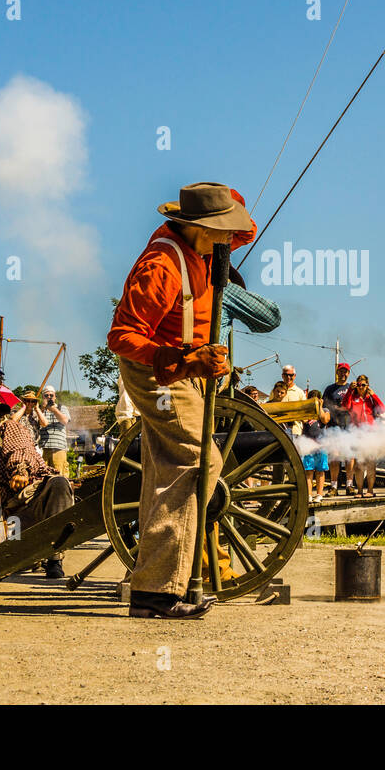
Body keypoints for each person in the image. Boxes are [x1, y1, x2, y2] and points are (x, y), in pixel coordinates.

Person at [108, 182, 255, 619]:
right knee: (199, 461)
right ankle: (157, 590)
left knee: (169, 468)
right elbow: (122, 336)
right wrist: (185, 358)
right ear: (201, 228)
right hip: (158, 373)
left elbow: (245, 231)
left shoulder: (206, 246)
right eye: (223, 230)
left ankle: (155, 586)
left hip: (187, 372)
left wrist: (227, 205)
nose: (233, 238)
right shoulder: (161, 265)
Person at [0, 391, 74, 578]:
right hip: (11, 519)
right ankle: (25, 556)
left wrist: (20, 471)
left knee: (58, 483)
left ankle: (54, 559)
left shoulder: (9, 428)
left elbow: (20, 449)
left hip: (33, 503)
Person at [342, 374, 385, 497]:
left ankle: (370, 490)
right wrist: (350, 390)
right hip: (357, 433)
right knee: (358, 464)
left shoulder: (370, 398)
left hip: (371, 434)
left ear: (367, 385)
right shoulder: (353, 396)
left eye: (363, 385)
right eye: (359, 384)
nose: (361, 387)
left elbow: (381, 409)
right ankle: (360, 490)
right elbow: (345, 405)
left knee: (371, 463)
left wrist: (373, 394)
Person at [322, 362, 355, 496]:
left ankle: (349, 485)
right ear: (337, 372)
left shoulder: (352, 388)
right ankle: (334, 486)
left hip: (349, 427)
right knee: (334, 457)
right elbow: (324, 406)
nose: (343, 374)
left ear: (348, 373)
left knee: (349, 457)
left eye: (346, 371)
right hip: (334, 427)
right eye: (341, 371)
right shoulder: (330, 389)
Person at [301, 390, 331, 502]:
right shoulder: (306, 411)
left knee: (320, 471)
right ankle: (308, 494)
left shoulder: (325, 410)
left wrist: (320, 407)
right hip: (308, 445)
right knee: (308, 471)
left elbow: (325, 419)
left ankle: (319, 494)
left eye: (316, 399)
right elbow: (303, 420)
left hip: (321, 445)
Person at [35, 385, 71, 475]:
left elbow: (65, 421)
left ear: (55, 397)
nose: (49, 397)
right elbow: (36, 423)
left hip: (59, 447)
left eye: (51, 395)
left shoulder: (62, 408)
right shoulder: (38, 410)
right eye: (46, 395)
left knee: (59, 476)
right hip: (43, 448)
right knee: (42, 476)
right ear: (42, 397)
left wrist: (54, 410)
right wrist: (42, 409)